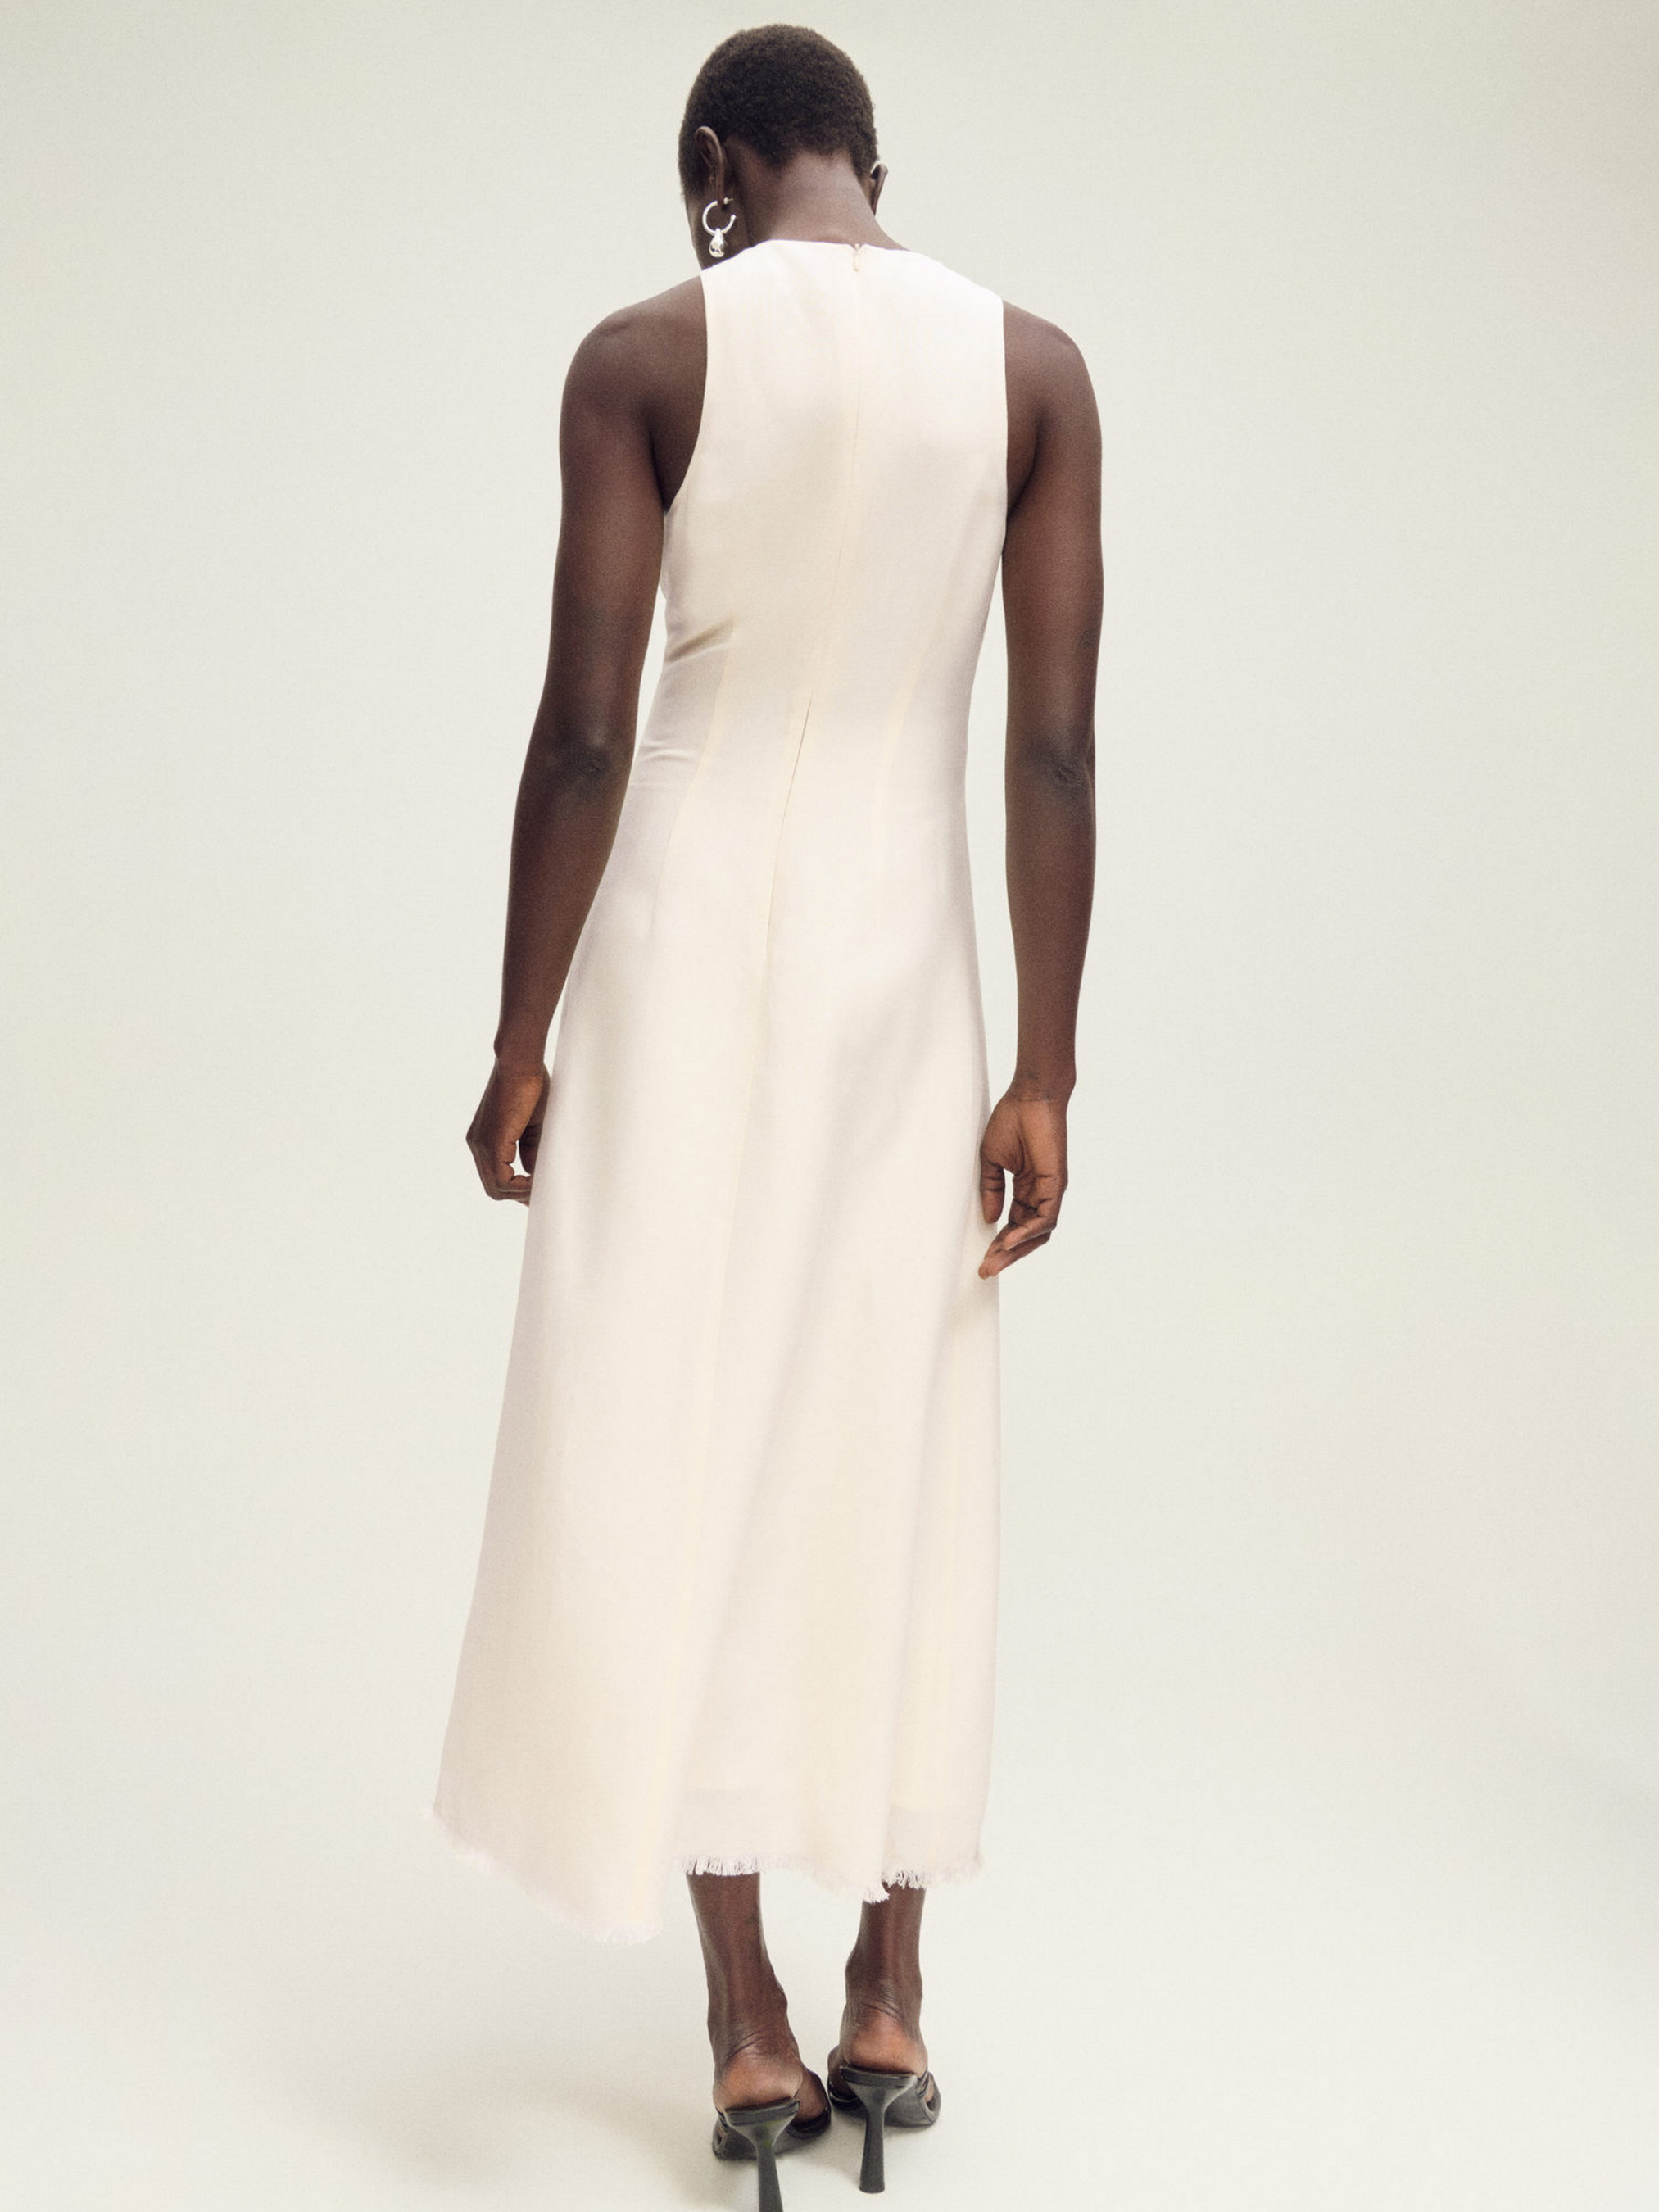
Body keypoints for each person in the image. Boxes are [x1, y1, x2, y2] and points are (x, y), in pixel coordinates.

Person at [433, 24, 1099, 2203]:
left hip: (683, 953)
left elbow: (581, 731)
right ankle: (891, 1983)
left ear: (717, 163)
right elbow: (1053, 749)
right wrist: (1044, 1066)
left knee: (681, 1425)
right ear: (869, 161)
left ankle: (744, 2021)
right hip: (909, 964)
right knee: (893, 1422)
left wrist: (520, 1032)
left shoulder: (645, 355)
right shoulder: (1030, 372)